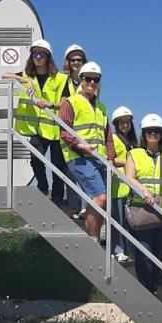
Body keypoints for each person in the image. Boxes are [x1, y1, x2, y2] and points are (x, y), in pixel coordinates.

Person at [123, 113, 162, 294]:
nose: (153, 134)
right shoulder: (134, 154)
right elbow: (129, 178)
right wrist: (144, 190)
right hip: (142, 211)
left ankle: (157, 286)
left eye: (157, 131)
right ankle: (146, 288)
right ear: (144, 133)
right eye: (150, 131)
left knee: (159, 253)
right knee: (144, 252)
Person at [1, 39, 68, 201]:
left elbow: (66, 104)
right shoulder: (26, 75)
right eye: (35, 54)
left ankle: (57, 199)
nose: (38, 57)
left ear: (48, 57)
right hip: (36, 129)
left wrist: (50, 104)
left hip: (55, 128)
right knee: (35, 160)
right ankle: (43, 186)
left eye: (42, 54)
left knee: (59, 166)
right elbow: (4, 75)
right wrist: (27, 81)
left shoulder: (60, 78)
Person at [58, 62, 116, 239]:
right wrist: (79, 145)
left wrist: (111, 159)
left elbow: (108, 136)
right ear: (81, 80)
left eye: (96, 80)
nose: (92, 82)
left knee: (102, 202)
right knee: (99, 198)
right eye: (88, 79)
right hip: (78, 156)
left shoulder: (102, 107)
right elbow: (64, 130)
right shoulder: (70, 102)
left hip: (99, 159)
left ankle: (95, 237)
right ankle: (92, 240)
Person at [62, 44, 88, 214]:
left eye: (79, 59)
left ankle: (87, 208)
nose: (76, 62)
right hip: (68, 128)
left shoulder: (90, 80)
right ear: (68, 62)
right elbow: (63, 103)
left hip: (85, 131)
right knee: (70, 169)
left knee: (87, 170)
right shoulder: (63, 80)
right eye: (73, 59)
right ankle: (73, 206)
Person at [110, 106, 138, 263]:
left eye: (127, 122)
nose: (125, 125)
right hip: (118, 188)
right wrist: (130, 162)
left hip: (131, 190)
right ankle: (118, 250)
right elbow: (110, 159)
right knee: (118, 221)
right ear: (116, 124)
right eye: (122, 123)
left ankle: (128, 250)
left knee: (129, 223)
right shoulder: (113, 139)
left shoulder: (133, 143)